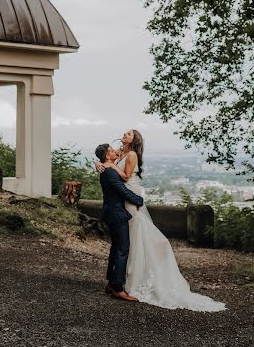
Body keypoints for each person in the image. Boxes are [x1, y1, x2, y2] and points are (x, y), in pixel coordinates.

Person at [96, 130, 226, 312]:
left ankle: (125, 280)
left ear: (134, 140)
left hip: (128, 202)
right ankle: (118, 283)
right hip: (121, 205)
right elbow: (107, 161)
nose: (124, 135)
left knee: (131, 242)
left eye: (128, 134)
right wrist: (101, 163)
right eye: (124, 133)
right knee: (123, 245)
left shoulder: (130, 154)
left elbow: (124, 176)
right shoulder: (119, 153)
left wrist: (109, 165)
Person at [95, 143, 144, 302]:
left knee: (116, 248)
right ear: (107, 156)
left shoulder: (108, 168)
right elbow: (122, 191)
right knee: (122, 249)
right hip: (116, 214)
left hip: (112, 213)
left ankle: (111, 283)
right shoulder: (109, 172)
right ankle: (118, 288)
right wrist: (139, 200)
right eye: (111, 150)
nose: (115, 151)